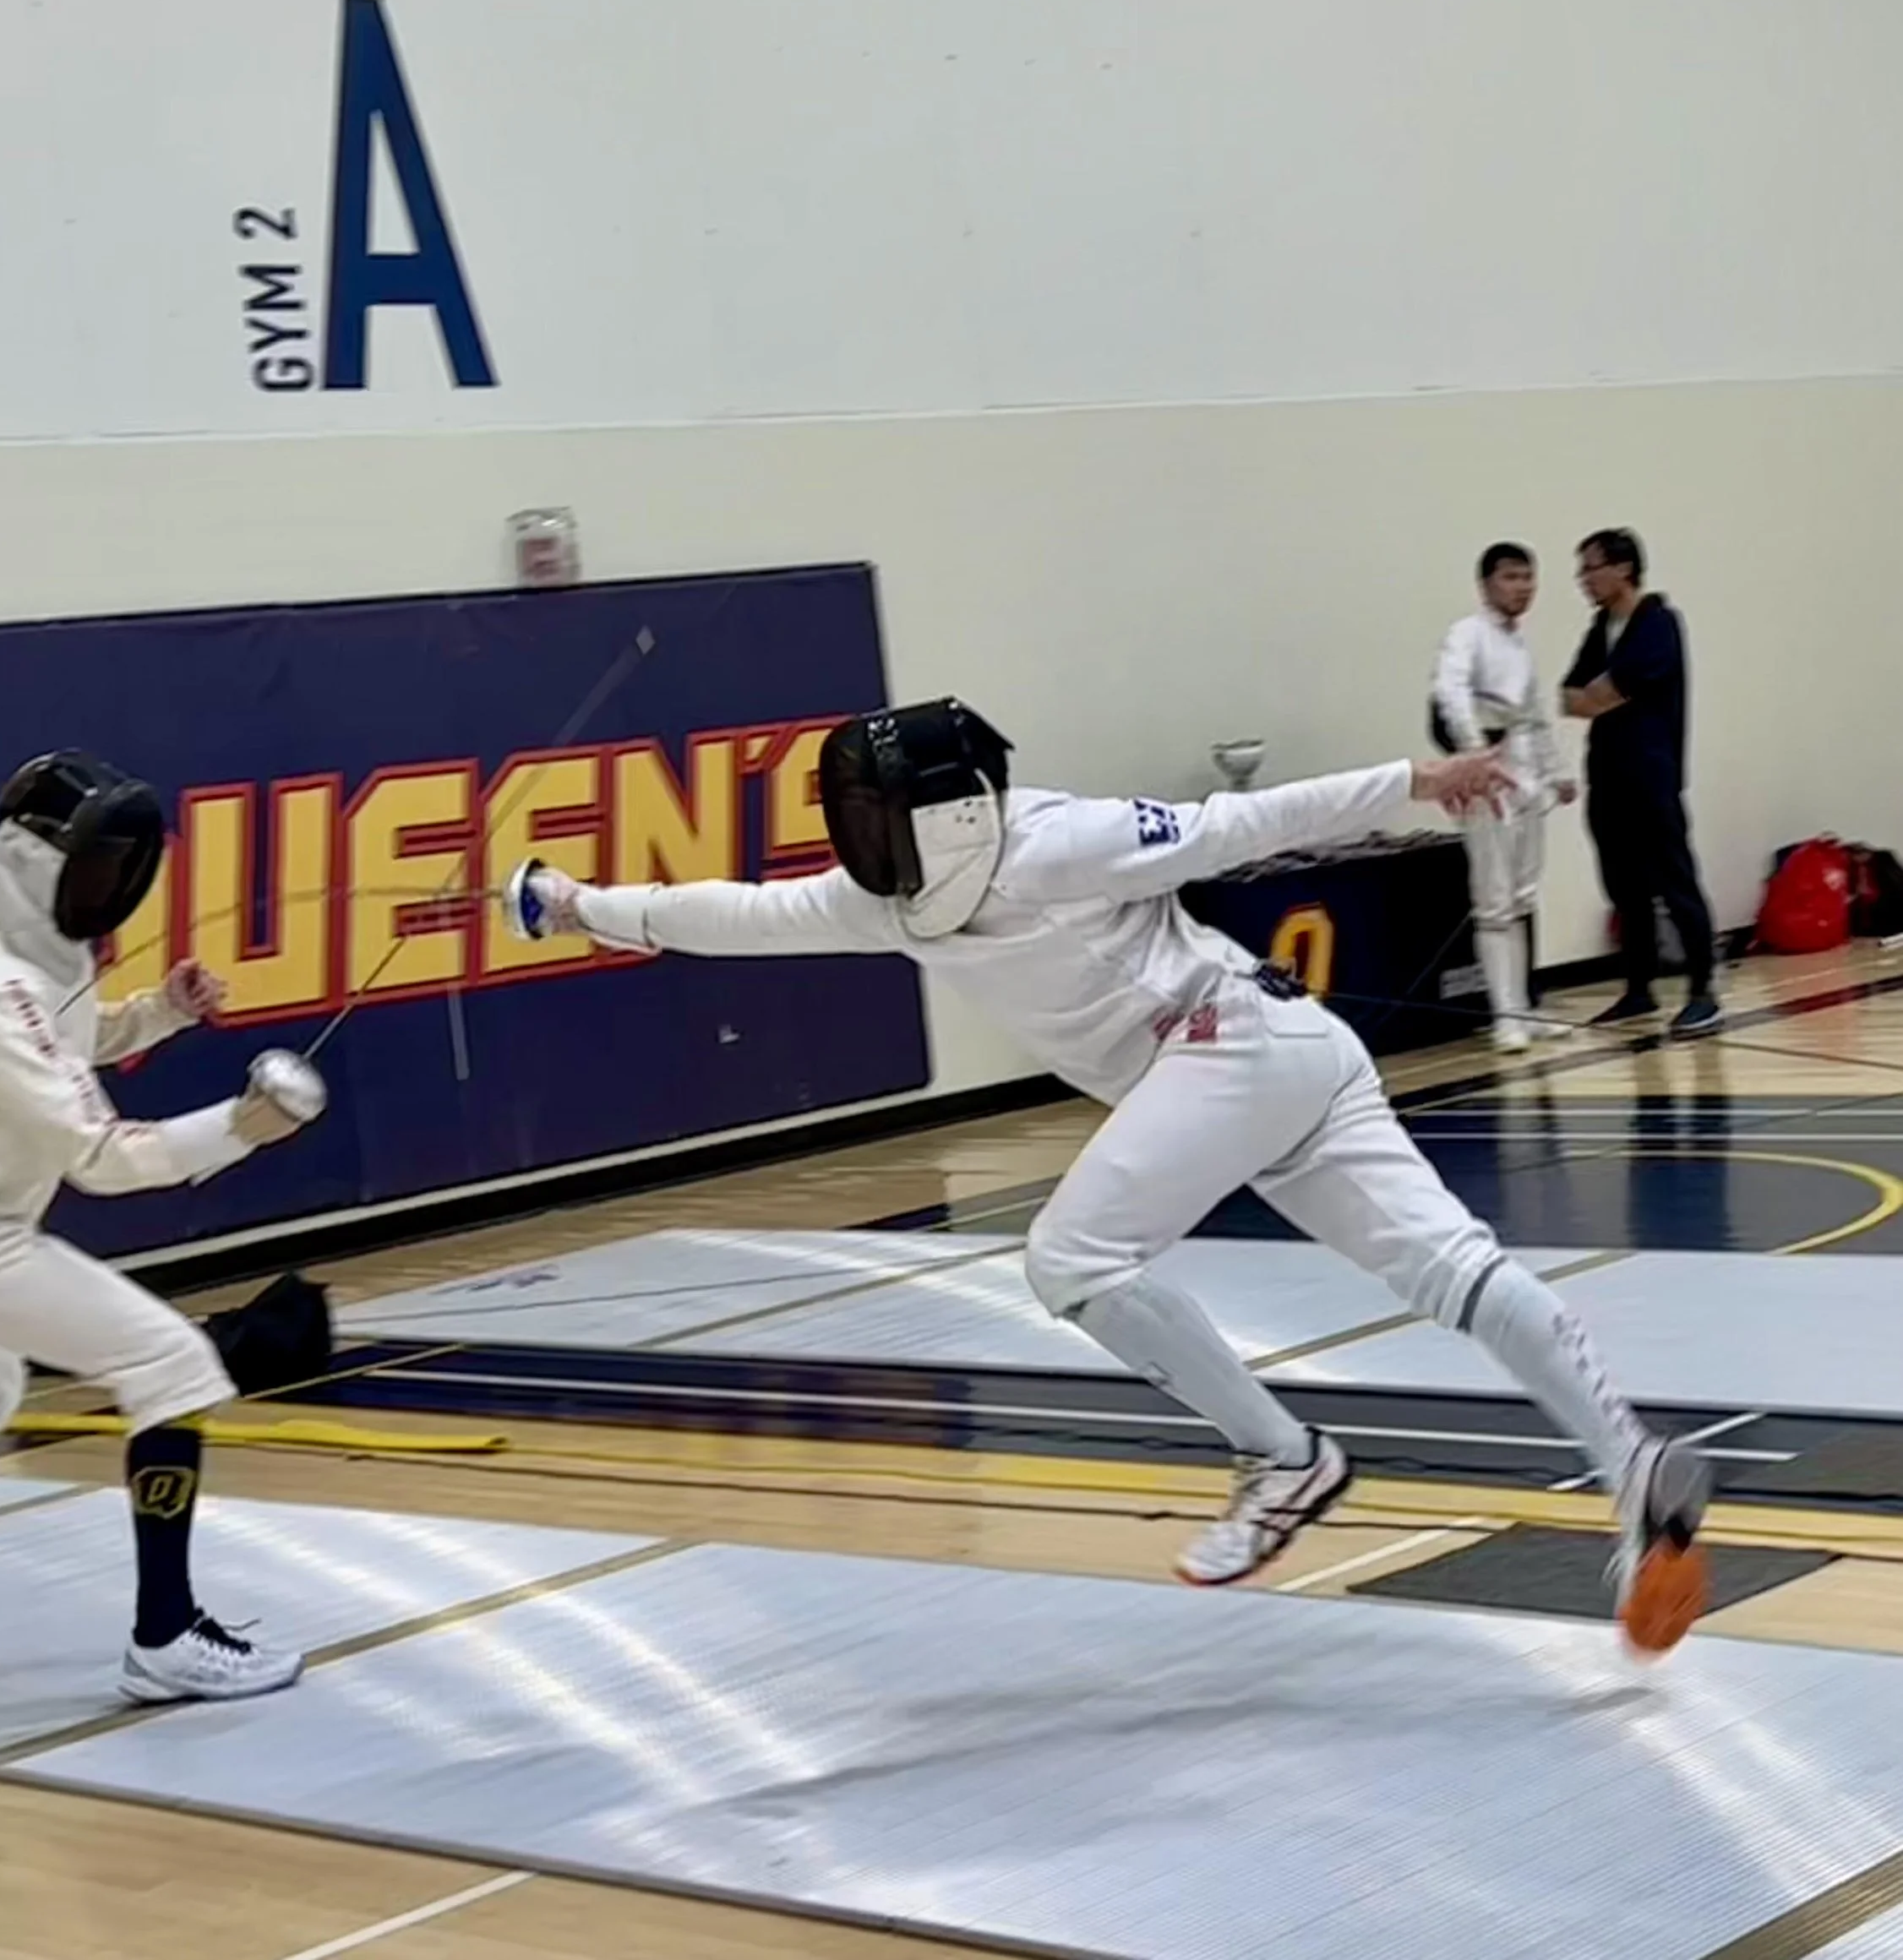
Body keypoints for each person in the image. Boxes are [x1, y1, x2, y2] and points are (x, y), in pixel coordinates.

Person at [504, 698, 1714, 1658]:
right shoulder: (896, 902)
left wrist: (1410, 781)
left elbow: (1235, 825)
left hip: (1233, 1041)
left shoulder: (1058, 839)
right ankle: (1634, 1465)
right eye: (853, 814)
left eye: (879, 814)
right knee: (1456, 1272)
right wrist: (580, 903)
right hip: (1281, 1062)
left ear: (952, 812)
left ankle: (1291, 1461)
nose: (862, 841)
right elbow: (736, 912)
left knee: (1072, 1257)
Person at [0, 751, 320, 1701]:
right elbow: (98, 1154)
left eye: (121, 866)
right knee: (173, 1364)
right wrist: (241, 1128)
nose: (110, 885)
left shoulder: (32, 943)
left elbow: (66, 1048)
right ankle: (165, 1636)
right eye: (95, 865)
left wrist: (161, 1011)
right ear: (33, 862)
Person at [1562, 529, 1721, 1037]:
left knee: (1675, 882)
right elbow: (1571, 697)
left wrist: (1602, 695)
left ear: (1624, 569)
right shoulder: (1599, 628)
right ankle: (1639, 989)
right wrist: (1600, 695)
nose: (1584, 580)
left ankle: (1703, 990)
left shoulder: (1658, 624)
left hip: (1651, 776)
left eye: (1592, 568)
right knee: (1623, 887)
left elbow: (1612, 690)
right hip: (1607, 776)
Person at [1430, 542, 1578, 1054]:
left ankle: (1525, 1008)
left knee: (1521, 898)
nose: (1522, 587)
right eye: (1511, 577)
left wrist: (1557, 773)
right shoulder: (1466, 635)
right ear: (1487, 583)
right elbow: (1449, 694)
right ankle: (1505, 1016)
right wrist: (1475, 755)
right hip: (1488, 786)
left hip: (1525, 786)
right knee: (1493, 904)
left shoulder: (1519, 648)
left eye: (1528, 578)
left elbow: (1534, 717)